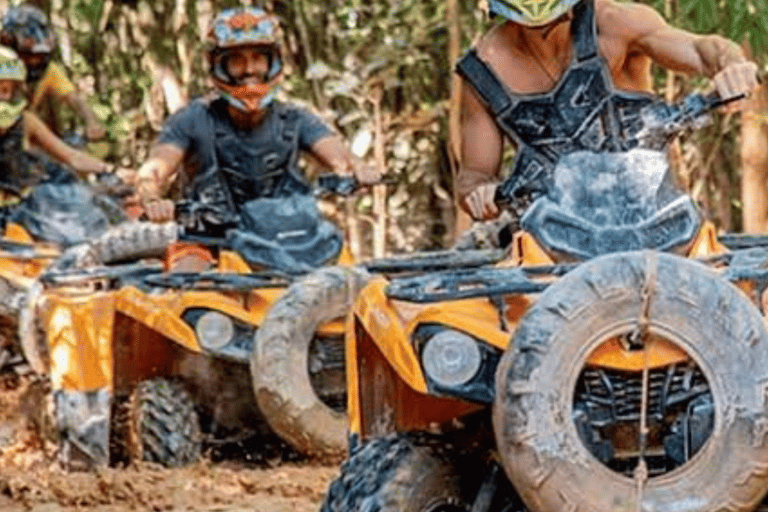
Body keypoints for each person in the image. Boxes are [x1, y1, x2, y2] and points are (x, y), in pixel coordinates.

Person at [456, 0, 759, 221]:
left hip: (654, 217)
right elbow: (473, 177)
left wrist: (732, 67)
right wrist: (482, 195)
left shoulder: (615, 24)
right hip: (553, 238)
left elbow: (702, 50)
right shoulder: (484, 70)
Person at [136, 6, 381, 224]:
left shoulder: (295, 119)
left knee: (341, 260)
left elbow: (340, 157)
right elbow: (154, 171)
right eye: (237, 60)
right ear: (218, 66)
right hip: (208, 239)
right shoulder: (191, 119)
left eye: (258, 58)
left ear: (273, 62)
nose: (250, 69)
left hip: (287, 235)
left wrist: (359, 169)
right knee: (185, 264)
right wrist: (152, 199)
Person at [0, 45, 127, 199]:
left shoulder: (26, 122)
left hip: (23, 204)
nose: (2, 97)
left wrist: (111, 170)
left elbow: (73, 157)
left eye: (5, 90)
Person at [0, 4, 106, 140]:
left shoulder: (47, 71)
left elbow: (74, 99)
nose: (34, 62)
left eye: (40, 56)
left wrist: (92, 122)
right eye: (28, 56)